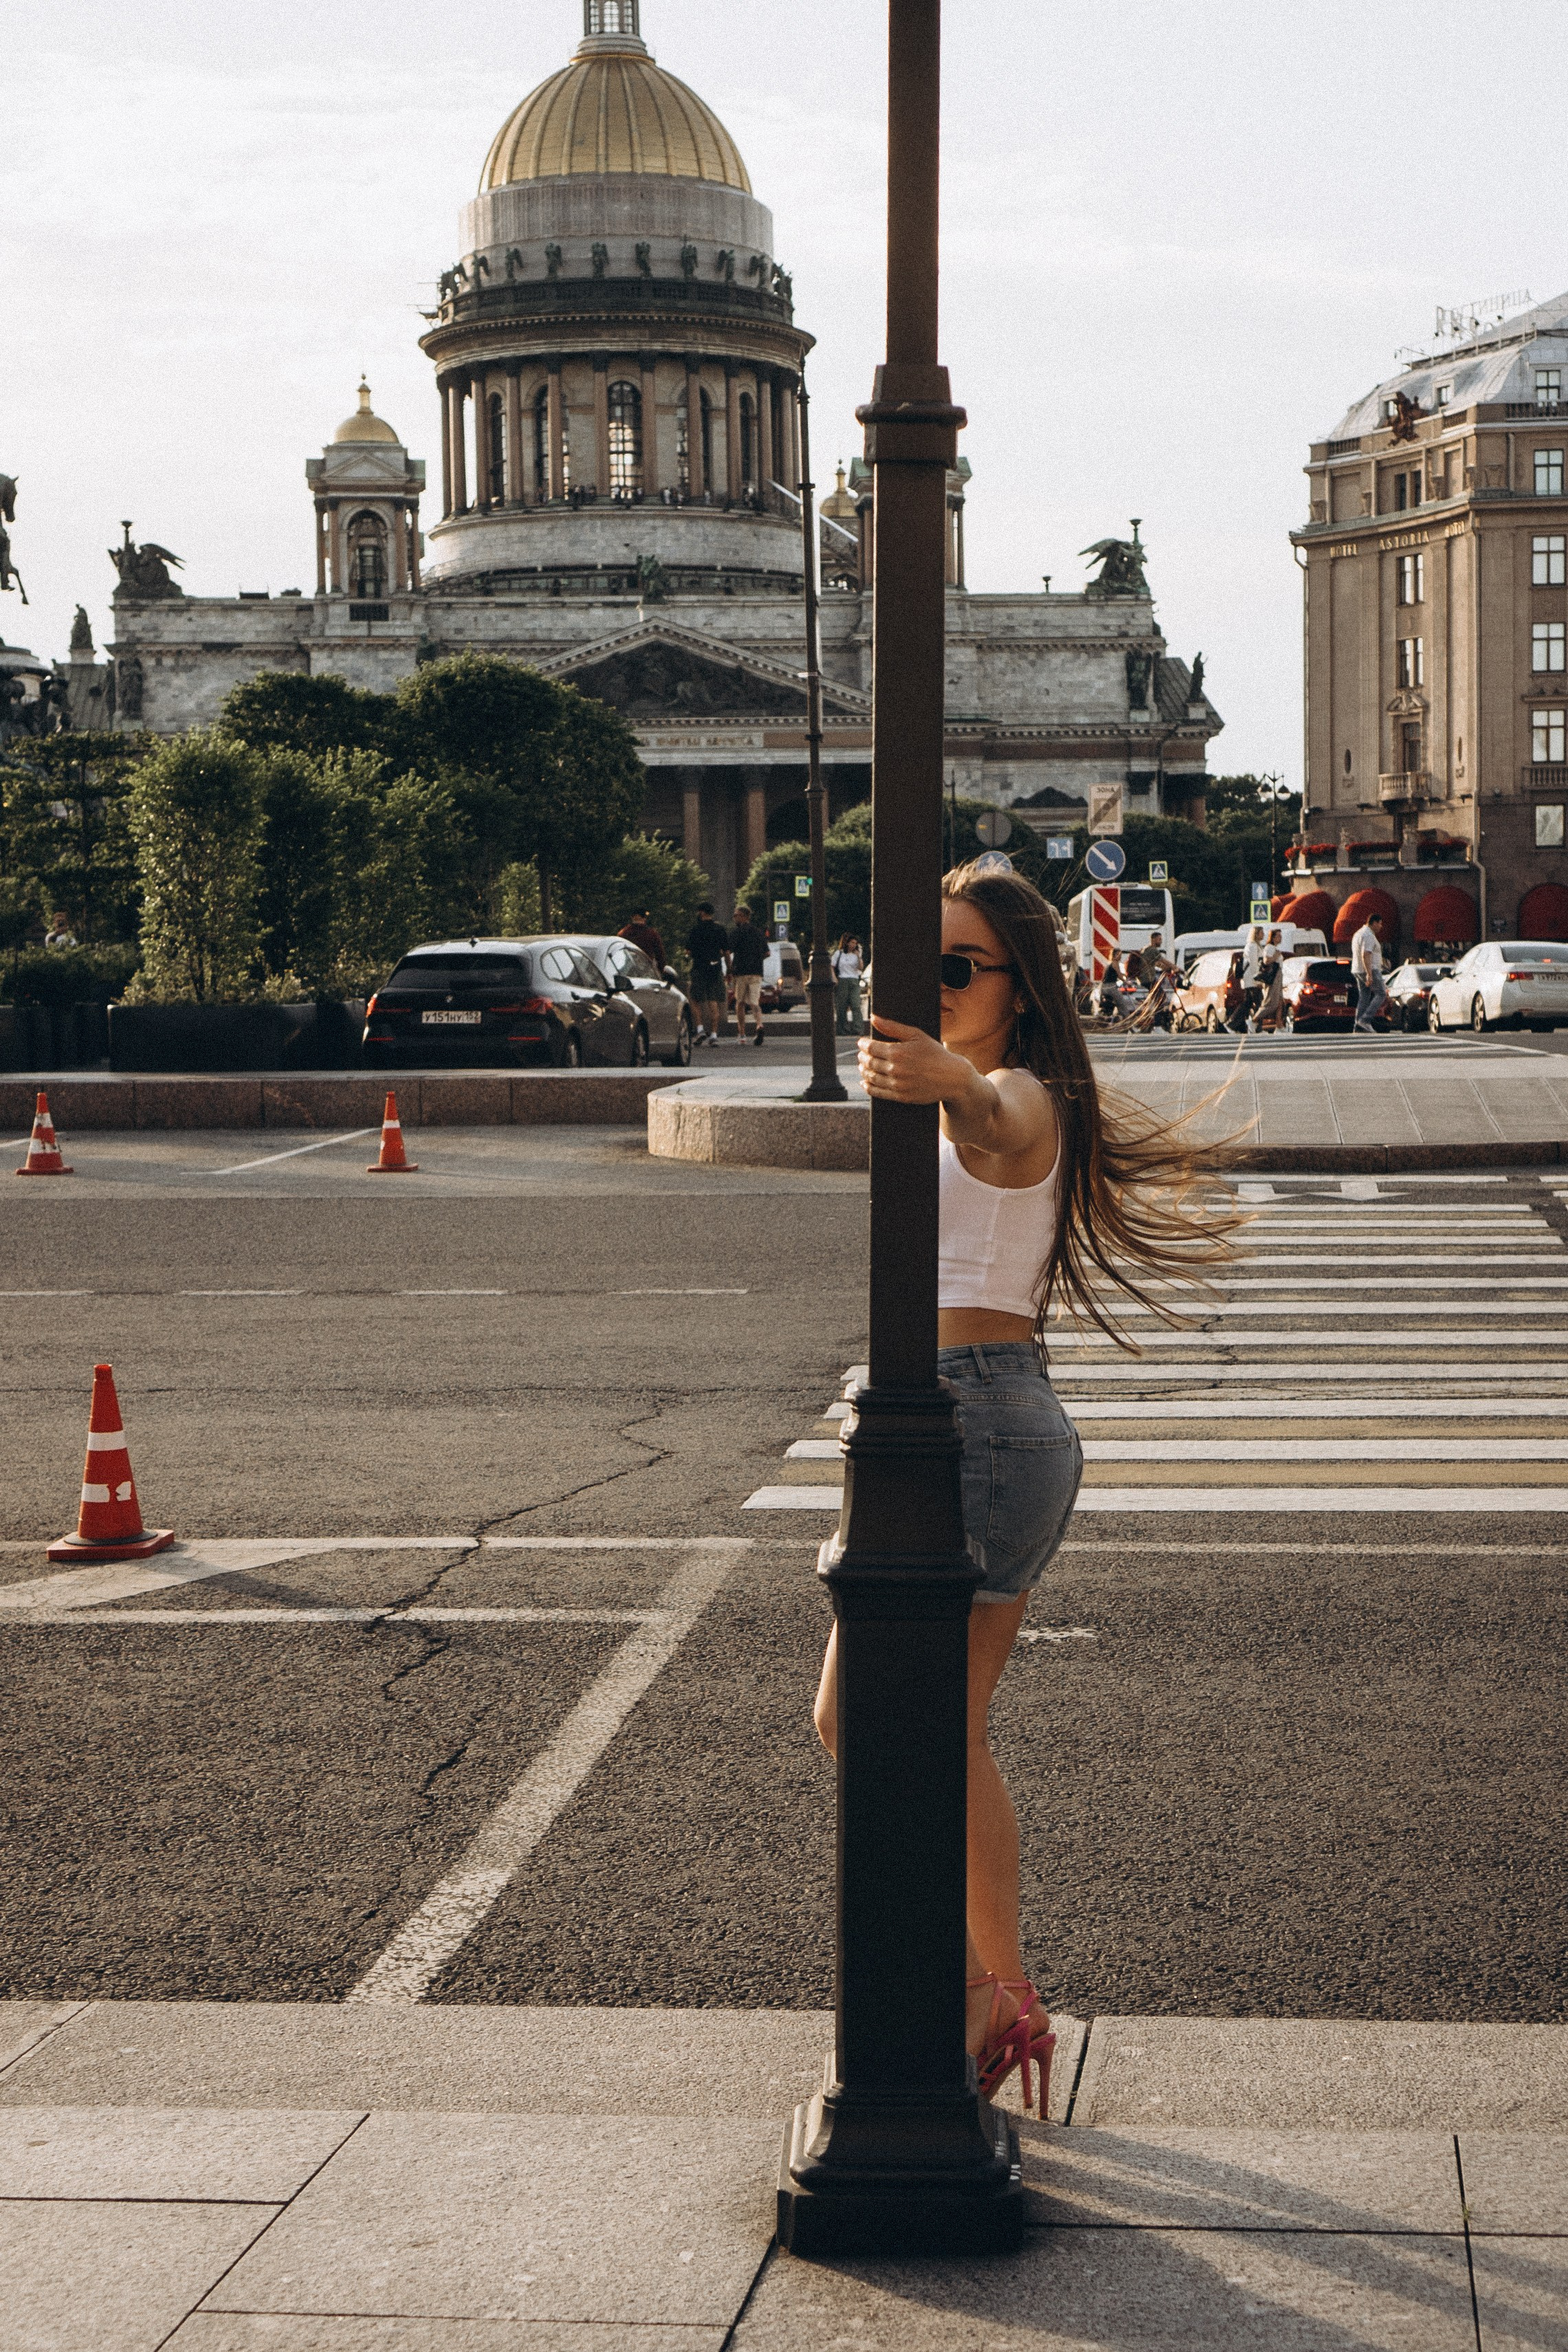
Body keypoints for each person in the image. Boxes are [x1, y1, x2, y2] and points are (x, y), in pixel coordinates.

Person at [817, 861, 1241, 2111]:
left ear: (1012, 987)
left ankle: (973, 1996)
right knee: (945, 1732)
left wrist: (948, 1075)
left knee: (868, 1723)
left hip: (981, 1425)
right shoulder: (969, 1085)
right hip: (966, 1418)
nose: (931, 988)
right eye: (915, 967)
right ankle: (1003, 1993)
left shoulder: (1019, 1094)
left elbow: (992, 1116)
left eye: (955, 969)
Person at [684, 901, 729, 1046]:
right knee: (713, 1001)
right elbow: (726, 952)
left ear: (702, 913)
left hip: (699, 969)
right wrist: (729, 970)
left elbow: (688, 952)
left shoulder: (695, 930)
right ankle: (714, 1035)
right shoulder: (720, 930)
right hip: (715, 969)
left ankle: (700, 1030)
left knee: (695, 1000)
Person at [727, 901, 769, 1046]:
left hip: (741, 972)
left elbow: (728, 951)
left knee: (740, 1003)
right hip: (757, 972)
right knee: (754, 1002)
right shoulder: (759, 932)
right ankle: (759, 1024)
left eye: (736, 915)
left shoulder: (737, 933)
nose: (734, 918)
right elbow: (767, 953)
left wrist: (730, 968)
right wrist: (756, 959)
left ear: (743, 917)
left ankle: (742, 1034)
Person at [1351, 917, 1387, 1031]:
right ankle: (1365, 1020)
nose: (1381, 926)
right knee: (1381, 993)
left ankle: (1358, 1024)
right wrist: (1369, 974)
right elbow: (1366, 954)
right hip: (1370, 969)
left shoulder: (1358, 933)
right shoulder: (1368, 935)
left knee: (1364, 996)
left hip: (1357, 969)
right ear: (1374, 923)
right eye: (1380, 924)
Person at [832, 934, 865, 1035]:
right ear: (847, 943)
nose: (853, 945)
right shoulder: (839, 953)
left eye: (855, 943)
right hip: (842, 980)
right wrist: (834, 978)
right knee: (842, 1006)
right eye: (852, 943)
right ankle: (843, 1030)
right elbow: (832, 966)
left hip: (854, 980)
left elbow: (860, 968)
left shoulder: (857, 954)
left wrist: (858, 956)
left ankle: (858, 1029)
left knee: (856, 1004)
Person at [1255, 928, 1285, 1032]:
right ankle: (1254, 1020)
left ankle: (1279, 1027)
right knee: (1271, 1002)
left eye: (1280, 936)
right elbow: (1266, 961)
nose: (1280, 938)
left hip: (1278, 975)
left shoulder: (1274, 948)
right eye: (1278, 936)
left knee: (1280, 1002)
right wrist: (1276, 956)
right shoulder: (1269, 947)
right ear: (1272, 937)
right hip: (1273, 976)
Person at [617, 907, 666, 971]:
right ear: (645, 918)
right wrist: (662, 972)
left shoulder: (623, 933)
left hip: (627, 970)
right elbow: (660, 956)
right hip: (647, 971)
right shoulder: (652, 934)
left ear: (632, 917)